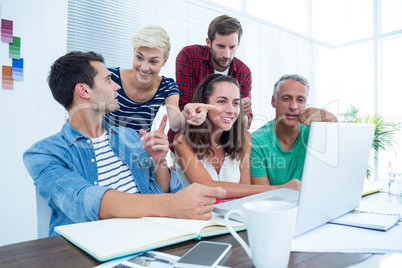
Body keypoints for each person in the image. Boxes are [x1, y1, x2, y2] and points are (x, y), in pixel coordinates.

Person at [23, 51, 226, 236]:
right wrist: (173, 204)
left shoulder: (129, 137)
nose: (116, 86)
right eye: (108, 80)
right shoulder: (43, 154)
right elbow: (85, 200)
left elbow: (161, 190)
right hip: (91, 247)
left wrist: (158, 163)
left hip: (149, 237)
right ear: (84, 90)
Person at [174, 74, 299, 199]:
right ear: (203, 103)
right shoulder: (182, 141)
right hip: (193, 216)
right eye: (222, 101)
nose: (230, 110)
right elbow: (207, 186)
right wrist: (278, 189)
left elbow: (245, 190)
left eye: (235, 103)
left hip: (229, 215)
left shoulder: (244, 139)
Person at [104, 25, 215, 133]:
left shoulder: (166, 87)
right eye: (139, 57)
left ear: (164, 61)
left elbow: (175, 125)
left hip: (137, 149)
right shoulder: (109, 76)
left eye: (153, 61)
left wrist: (186, 115)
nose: (144, 68)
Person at [168, 15, 253, 151]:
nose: (227, 54)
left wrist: (241, 113)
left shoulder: (244, 72)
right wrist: (234, 107)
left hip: (222, 146)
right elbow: (187, 109)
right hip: (187, 141)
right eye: (220, 46)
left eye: (232, 47)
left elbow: (246, 121)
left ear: (238, 44)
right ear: (209, 42)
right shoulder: (190, 56)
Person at [250, 74, 338, 187]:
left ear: (307, 105)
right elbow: (262, 197)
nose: (293, 106)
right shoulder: (257, 142)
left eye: (300, 100)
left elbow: (338, 169)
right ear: (273, 101)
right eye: (286, 99)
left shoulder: (314, 133)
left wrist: (332, 119)